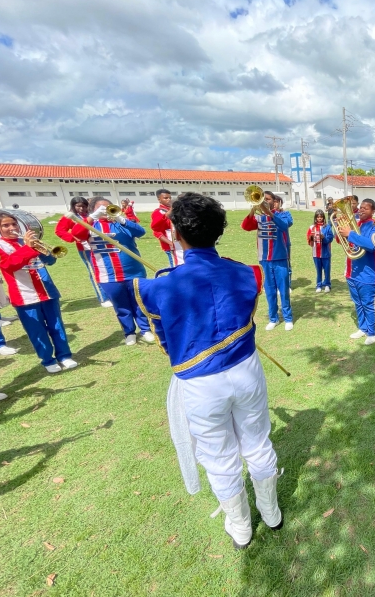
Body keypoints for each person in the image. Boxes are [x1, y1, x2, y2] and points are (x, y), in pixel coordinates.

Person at [134, 193, 283, 550]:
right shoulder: (248, 272)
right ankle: (271, 513)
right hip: (246, 370)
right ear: (219, 232)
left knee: (219, 455)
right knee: (257, 442)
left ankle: (241, 526)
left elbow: (165, 340)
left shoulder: (158, 285)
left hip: (200, 381)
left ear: (175, 232)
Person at [0, 214, 77, 373]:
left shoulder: (26, 241)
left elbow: (51, 261)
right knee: (36, 330)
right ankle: (48, 360)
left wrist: (42, 249)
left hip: (47, 291)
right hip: (24, 295)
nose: (12, 228)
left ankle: (64, 356)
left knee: (56, 326)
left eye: (14, 224)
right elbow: (8, 265)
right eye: (6, 225)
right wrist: (28, 247)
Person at [70, 198, 153, 346]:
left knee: (139, 303)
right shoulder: (90, 225)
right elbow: (76, 233)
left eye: (108, 207)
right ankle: (129, 332)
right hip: (108, 275)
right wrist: (92, 217)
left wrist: (121, 219)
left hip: (134, 272)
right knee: (121, 306)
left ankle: (145, 329)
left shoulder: (120, 224)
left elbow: (141, 232)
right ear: (93, 210)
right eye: (101, 209)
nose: (106, 211)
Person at [240, 190, 294, 331]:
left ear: (274, 201)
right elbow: (245, 226)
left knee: (283, 290)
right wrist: (253, 209)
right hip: (264, 259)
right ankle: (273, 318)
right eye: (264, 199)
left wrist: (269, 213)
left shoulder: (283, 215)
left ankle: (288, 318)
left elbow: (284, 226)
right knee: (269, 291)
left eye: (268, 199)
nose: (265, 202)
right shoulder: (258, 218)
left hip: (280, 258)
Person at [338, 198, 375, 345]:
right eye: (361, 207)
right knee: (358, 303)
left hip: (370, 274)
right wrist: (339, 226)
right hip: (352, 272)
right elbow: (340, 240)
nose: (362, 210)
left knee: (369, 304)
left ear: (373, 211)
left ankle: (372, 332)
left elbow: (372, 245)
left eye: (366, 208)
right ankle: (363, 328)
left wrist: (350, 234)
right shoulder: (354, 224)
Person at [55, 196, 112, 307]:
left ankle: (111, 294)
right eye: (78, 206)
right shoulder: (70, 217)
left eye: (84, 206)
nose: (81, 208)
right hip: (85, 249)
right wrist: (73, 238)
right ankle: (103, 298)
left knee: (105, 269)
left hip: (100, 246)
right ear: (73, 206)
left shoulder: (91, 215)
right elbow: (59, 230)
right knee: (94, 272)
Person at [151, 189, 184, 268]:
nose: (168, 200)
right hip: (171, 245)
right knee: (176, 265)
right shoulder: (158, 212)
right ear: (159, 199)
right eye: (165, 198)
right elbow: (156, 231)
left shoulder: (175, 210)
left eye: (170, 197)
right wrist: (170, 243)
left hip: (181, 243)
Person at [307, 209, 333, 292]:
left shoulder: (327, 227)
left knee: (327, 269)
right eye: (318, 217)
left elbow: (330, 238)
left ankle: (327, 284)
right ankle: (319, 285)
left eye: (321, 217)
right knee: (318, 270)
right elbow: (308, 238)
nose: (319, 218)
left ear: (323, 218)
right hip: (316, 253)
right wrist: (311, 237)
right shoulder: (312, 227)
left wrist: (324, 238)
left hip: (325, 252)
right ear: (315, 218)